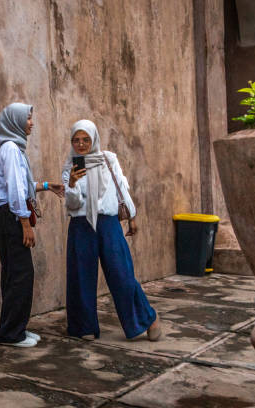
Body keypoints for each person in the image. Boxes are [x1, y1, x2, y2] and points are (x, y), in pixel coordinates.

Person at [62, 119, 161, 341]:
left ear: (94, 138)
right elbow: (73, 205)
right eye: (76, 140)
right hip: (81, 225)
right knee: (80, 276)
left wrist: (132, 216)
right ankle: (84, 327)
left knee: (121, 273)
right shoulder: (70, 166)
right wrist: (72, 185)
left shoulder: (108, 159)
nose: (81, 144)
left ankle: (148, 318)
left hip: (108, 223)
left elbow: (121, 187)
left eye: (85, 139)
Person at [0, 103, 64, 347]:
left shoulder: (13, 148)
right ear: (15, 121)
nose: (31, 122)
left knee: (15, 274)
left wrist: (45, 186)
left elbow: (23, 183)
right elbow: (14, 188)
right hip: (10, 216)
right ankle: (11, 334)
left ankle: (14, 329)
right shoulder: (10, 148)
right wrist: (25, 223)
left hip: (8, 215)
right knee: (21, 274)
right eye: (27, 118)